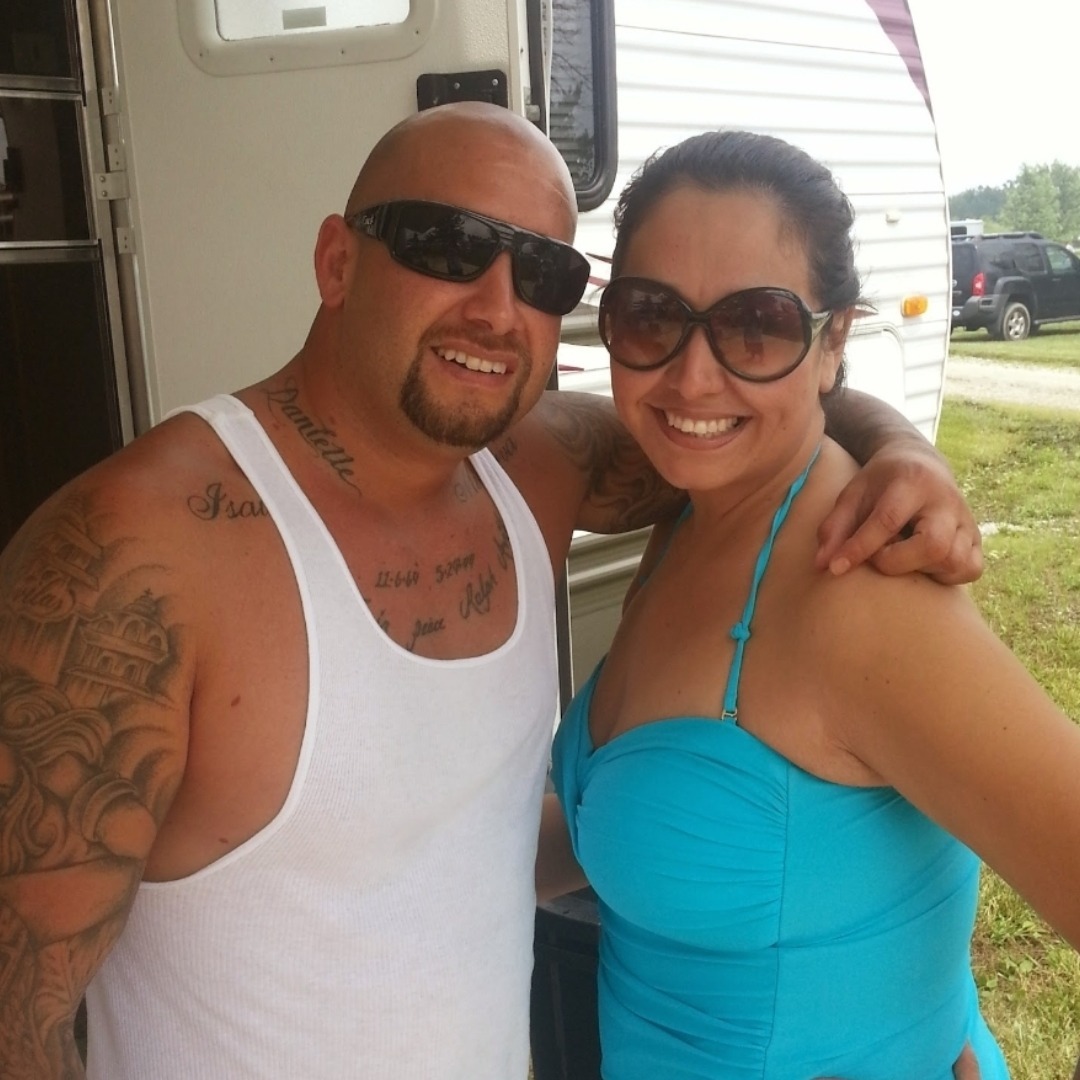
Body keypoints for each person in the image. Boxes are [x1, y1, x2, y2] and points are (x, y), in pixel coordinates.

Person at [0, 102, 982, 1080]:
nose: (497, 309)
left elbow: (739, 411)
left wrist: (901, 450)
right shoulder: (134, 557)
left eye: (544, 274)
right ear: (337, 262)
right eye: (447, 246)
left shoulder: (535, 469)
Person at [540, 128, 1080, 1080]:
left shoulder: (862, 596)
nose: (693, 376)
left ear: (834, 343)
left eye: (758, 325)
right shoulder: (692, 517)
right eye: (652, 316)